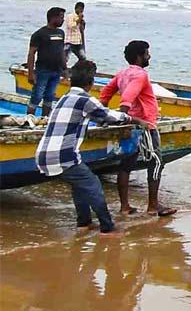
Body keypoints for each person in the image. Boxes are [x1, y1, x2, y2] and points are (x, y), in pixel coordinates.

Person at [35, 60, 151, 237]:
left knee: (79, 185)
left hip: (44, 154)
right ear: (90, 84)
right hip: (63, 155)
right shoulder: (85, 100)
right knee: (92, 184)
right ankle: (107, 227)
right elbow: (109, 116)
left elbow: (97, 117)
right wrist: (136, 120)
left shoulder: (64, 98)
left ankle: (84, 223)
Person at [100, 40, 176, 217]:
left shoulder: (122, 74)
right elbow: (127, 97)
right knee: (156, 162)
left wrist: (104, 115)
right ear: (139, 56)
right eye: (147, 53)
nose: (149, 56)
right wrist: (124, 112)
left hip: (130, 125)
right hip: (145, 125)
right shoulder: (141, 75)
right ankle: (153, 206)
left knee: (126, 164)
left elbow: (105, 94)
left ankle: (125, 207)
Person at [26, 7, 67, 116]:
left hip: (56, 71)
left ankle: (44, 120)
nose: (63, 20)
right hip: (43, 71)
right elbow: (31, 54)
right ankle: (29, 119)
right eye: (61, 17)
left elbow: (61, 51)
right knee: (37, 96)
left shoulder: (61, 33)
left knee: (49, 96)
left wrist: (65, 68)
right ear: (53, 18)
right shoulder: (39, 34)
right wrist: (30, 73)